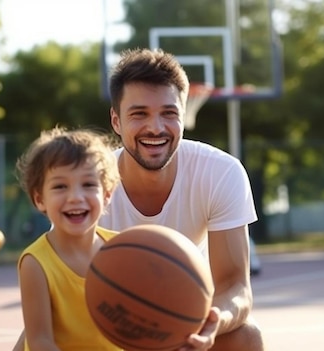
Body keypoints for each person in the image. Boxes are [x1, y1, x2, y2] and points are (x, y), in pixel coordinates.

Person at [13, 48, 263, 351]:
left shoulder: (220, 172)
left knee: (246, 336)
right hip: (113, 324)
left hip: (183, 320)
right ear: (116, 121)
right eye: (139, 113)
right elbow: (57, 307)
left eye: (169, 113)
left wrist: (210, 323)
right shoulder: (92, 187)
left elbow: (236, 287)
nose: (155, 128)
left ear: (184, 117)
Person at [15, 127, 122, 350]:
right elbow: (40, 342)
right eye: (60, 186)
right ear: (39, 199)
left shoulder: (124, 251)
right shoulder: (36, 263)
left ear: (107, 194)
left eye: (88, 185)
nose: (75, 197)